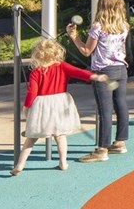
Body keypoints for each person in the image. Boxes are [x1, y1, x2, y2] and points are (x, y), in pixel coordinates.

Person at [11, 39, 107, 175]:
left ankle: (20, 165)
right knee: (60, 136)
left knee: (31, 137)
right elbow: (79, 72)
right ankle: (63, 162)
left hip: (42, 105)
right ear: (57, 53)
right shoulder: (62, 66)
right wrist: (94, 76)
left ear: (37, 55)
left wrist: (26, 107)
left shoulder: (37, 72)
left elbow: (32, 91)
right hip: (60, 103)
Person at [67, 0, 130, 162]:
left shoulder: (98, 27)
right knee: (121, 104)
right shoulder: (123, 25)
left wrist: (74, 37)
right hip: (120, 69)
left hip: (104, 72)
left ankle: (102, 149)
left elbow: (87, 51)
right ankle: (120, 142)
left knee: (105, 110)